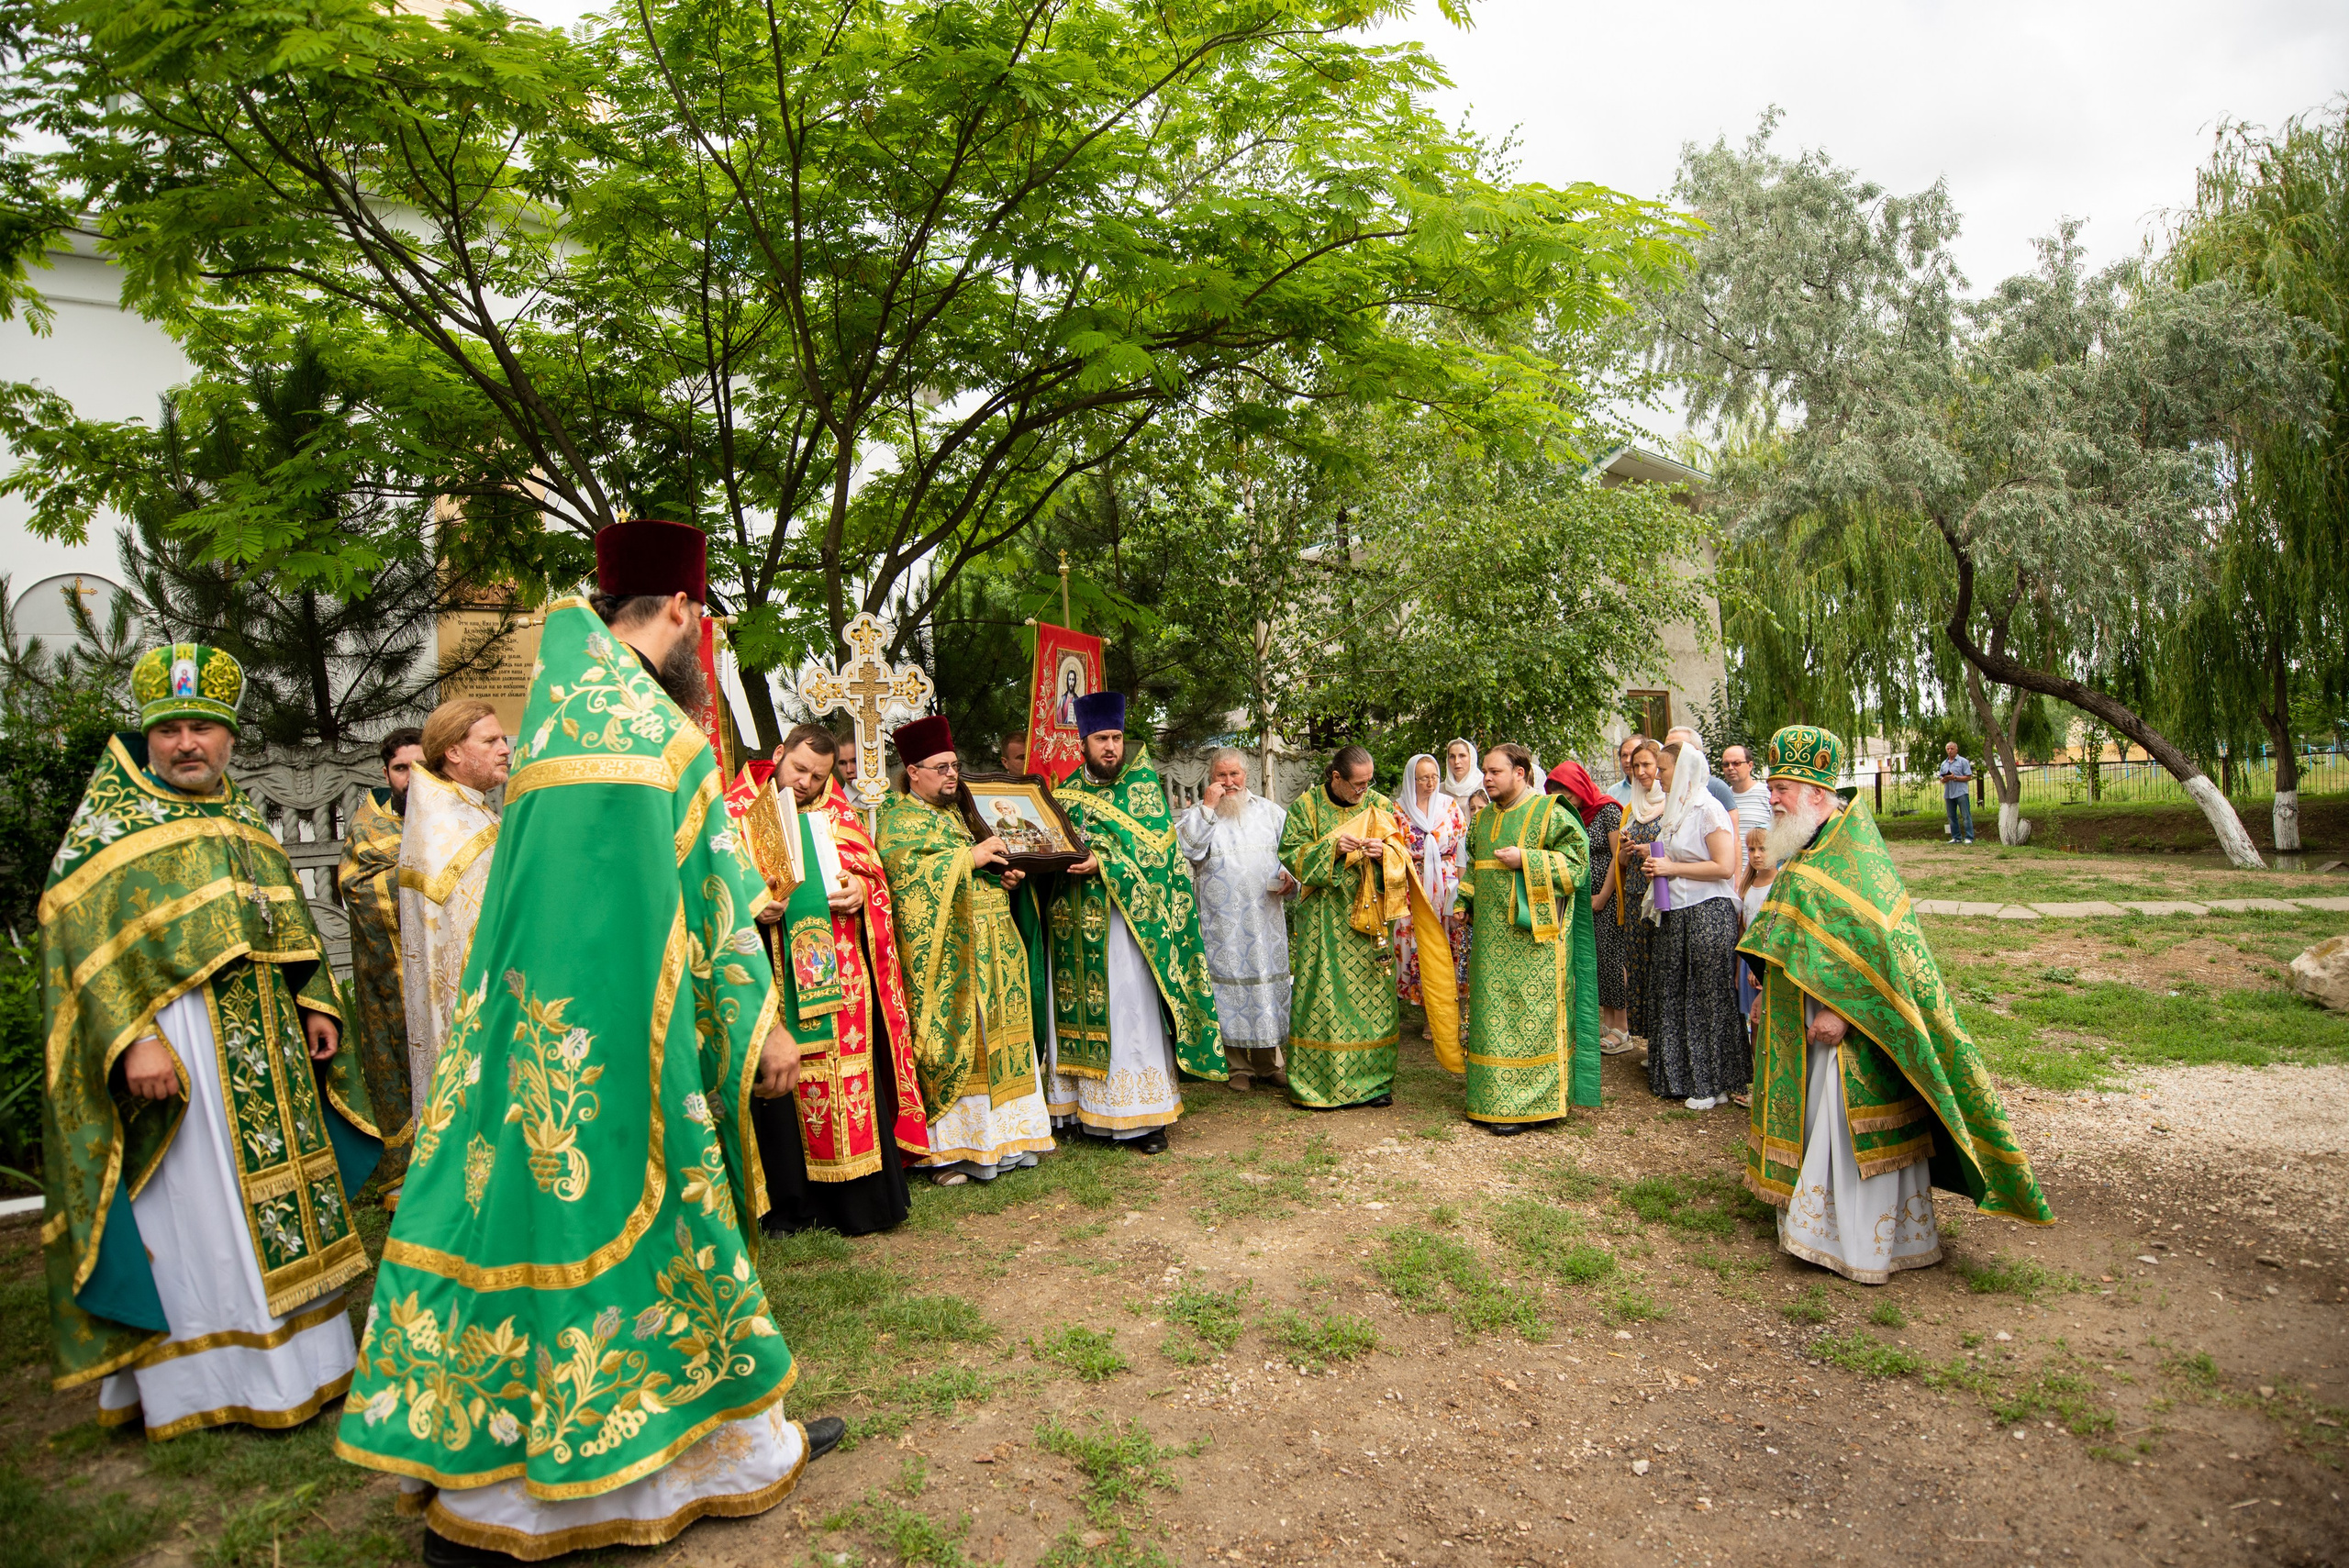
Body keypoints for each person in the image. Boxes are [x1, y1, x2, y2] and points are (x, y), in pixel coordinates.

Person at [339, 518, 833, 1561]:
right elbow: (712, 896)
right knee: (639, 1234)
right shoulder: (660, 736)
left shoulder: (560, 715)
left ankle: (497, 1478)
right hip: (620, 1051)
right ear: (685, 611)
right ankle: (647, 1470)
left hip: (523, 1034)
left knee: (524, 1226)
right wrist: (763, 1021)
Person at [44, 643, 381, 1439]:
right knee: (198, 1210)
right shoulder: (110, 829)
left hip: (268, 1052)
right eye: (170, 731)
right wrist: (134, 1039)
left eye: (202, 728)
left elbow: (284, 927)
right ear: (149, 737)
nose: (186, 743)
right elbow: (80, 952)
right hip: (183, 1058)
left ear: (229, 737)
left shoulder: (238, 817)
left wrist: (313, 1002)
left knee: (278, 1204)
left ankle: (311, 1363)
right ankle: (202, 1378)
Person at [1740, 724, 2053, 1283]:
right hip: (1799, 1020)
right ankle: (1811, 1226)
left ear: (1816, 794)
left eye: (1782, 787)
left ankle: (1860, 1245)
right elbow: (1792, 933)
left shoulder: (1854, 856)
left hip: (1850, 1033)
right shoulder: (1810, 843)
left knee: (1845, 1126)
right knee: (1817, 1123)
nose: (1772, 796)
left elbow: (1876, 954)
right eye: (1772, 785)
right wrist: (1766, 991)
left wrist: (1843, 1010)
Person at [748, 725, 929, 1235]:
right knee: (782, 1087)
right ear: (779, 754)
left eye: (819, 776)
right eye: (799, 769)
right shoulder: (738, 809)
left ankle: (855, 1203)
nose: (806, 782)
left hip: (840, 980)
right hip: (773, 979)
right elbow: (711, 888)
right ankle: (788, 1206)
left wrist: (858, 891)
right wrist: (753, 907)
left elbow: (871, 877)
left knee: (846, 1085)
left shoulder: (838, 813)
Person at [876, 714, 1055, 1184]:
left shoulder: (962, 813)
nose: (952, 774)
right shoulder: (897, 821)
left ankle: (1011, 1139)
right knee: (964, 1044)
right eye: (941, 767)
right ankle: (951, 1154)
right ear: (913, 771)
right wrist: (967, 858)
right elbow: (905, 882)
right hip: (950, 952)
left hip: (998, 941)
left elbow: (988, 863)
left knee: (1004, 1032)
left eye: (954, 765)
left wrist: (1005, 875)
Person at [1044, 693, 1227, 1149]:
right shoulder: (1063, 791)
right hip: (1071, 925)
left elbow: (1156, 860)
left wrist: (1102, 863)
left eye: (1117, 738)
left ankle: (1142, 1117)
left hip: (1125, 929)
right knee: (1070, 1005)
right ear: (1083, 741)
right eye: (1101, 738)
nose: (1111, 747)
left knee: (1130, 1015)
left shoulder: (1142, 787)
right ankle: (1080, 1111)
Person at [1278, 746, 1460, 1108]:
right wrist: (1331, 848)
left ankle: (1373, 1083)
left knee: (1373, 998)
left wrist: (1385, 854)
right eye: (1357, 784)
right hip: (1324, 920)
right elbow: (1289, 854)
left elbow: (1402, 856)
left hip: (1369, 918)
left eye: (1368, 782)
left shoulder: (1379, 805)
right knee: (1324, 998)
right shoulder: (1306, 807)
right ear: (1336, 778)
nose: (1364, 789)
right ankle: (1321, 1085)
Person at [1453, 745, 1590, 1135]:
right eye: (1485, 772)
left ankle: (1537, 1105)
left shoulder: (1551, 812)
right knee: (1492, 1018)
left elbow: (1578, 868)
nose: (1486, 779)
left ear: (1521, 773)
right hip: (1489, 941)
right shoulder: (1482, 820)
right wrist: (1464, 899)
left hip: (1536, 944)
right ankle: (1491, 1100)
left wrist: (1527, 859)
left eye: (1495, 771)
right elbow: (1475, 866)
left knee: (1530, 1017)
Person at [396, 699, 508, 1130]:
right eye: (490, 740)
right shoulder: (450, 827)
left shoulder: (466, 808)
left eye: (502, 738)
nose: (504, 748)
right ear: (454, 753)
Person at [1175, 748, 1297, 1093]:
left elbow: (1292, 853)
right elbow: (1190, 849)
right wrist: (1208, 809)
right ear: (1210, 778)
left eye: (1235, 775)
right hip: (1222, 922)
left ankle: (1270, 1063)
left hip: (1265, 919)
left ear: (1247, 776)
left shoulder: (1270, 813)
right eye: (1221, 776)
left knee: (1265, 986)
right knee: (1228, 989)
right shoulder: (1198, 815)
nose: (1228, 783)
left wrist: (1290, 876)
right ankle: (1236, 1065)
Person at [1637, 741, 1746, 1110]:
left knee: (1707, 996)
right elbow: (1675, 856)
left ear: (1682, 770)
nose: (1657, 776)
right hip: (1676, 911)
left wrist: (1672, 868)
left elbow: (1725, 866)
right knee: (1675, 991)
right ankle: (1681, 1077)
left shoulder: (1708, 808)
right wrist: (1655, 862)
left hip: (1707, 911)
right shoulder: (1675, 810)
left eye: (1663, 770)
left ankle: (1713, 1083)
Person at [339, 726, 423, 1201]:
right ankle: (405, 1170)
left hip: (449, 967)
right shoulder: (368, 827)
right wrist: (422, 876)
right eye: (401, 768)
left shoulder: (457, 816)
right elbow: (355, 887)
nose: (412, 778)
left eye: (420, 766)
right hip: (389, 974)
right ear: (386, 772)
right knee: (399, 1058)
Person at [1544, 761, 1614, 1090]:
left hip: (1603, 892)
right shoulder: (1557, 815)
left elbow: (1617, 857)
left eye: (1565, 790)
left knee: (1606, 959)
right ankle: (1591, 1025)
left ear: (1580, 788)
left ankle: (1617, 1027)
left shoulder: (1607, 811)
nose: (1560, 797)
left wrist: (1603, 895)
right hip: (1574, 896)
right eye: (1554, 791)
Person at [1392, 753, 1470, 1042]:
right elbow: (1393, 853)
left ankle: (1455, 1016)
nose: (1429, 782)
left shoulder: (1449, 806)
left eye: (1434, 776)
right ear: (1411, 780)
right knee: (1422, 949)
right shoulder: (1398, 811)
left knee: (1451, 949)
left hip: (1447, 888)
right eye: (1423, 777)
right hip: (1415, 890)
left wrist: (1462, 889)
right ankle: (1429, 1017)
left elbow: (1461, 846)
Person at [1614, 740, 1666, 1054]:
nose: (1642, 772)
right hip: (1634, 895)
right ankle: (1648, 1044)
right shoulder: (1632, 809)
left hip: (1661, 897)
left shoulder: (1672, 803)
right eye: (1636, 766)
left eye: (1647, 765)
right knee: (1639, 970)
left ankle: (1664, 1042)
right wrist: (1627, 851)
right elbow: (1620, 862)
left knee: (1661, 967)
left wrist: (1652, 850)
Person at [1731, 826, 1776, 1109]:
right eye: (1752, 850)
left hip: (1765, 962)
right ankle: (1757, 1085)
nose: (1757, 855)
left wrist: (1760, 968)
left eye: (1763, 849)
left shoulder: (1778, 884)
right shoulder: (1748, 884)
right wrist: (1739, 967)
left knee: (1766, 1024)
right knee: (1754, 1026)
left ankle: (1771, 1085)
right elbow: (1743, 928)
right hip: (1747, 960)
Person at [1664, 724, 1740, 817]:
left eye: (1675, 748)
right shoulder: (1664, 787)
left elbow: (1732, 829)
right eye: (1666, 748)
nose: (1668, 753)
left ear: (1695, 752)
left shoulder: (1716, 788)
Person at [1720, 743, 1771, 838]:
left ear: (1750, 766)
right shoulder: (1722, 798)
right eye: (1726, 764)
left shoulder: (1768, 794)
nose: (1730, 768)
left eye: (1736, 763)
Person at [1937, 741, 1976, 844]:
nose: (1950, 751)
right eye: (1948, 749)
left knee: (1965, 815)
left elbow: (1968, 776)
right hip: (1949, 793)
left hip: (1961, 792)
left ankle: (1969, 837)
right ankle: (1956, 837)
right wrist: (1943, 779)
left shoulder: (1963, 761)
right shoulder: (1944, 763)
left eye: (1952, 749)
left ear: (1956, 750)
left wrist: (1955, 778)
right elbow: (1940, 776)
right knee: (1951, 816)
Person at [1440, 737, 1488, 811]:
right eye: (1452, 756)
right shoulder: (1440, 789)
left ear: (1471, 758)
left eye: (1462, 756)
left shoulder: (1484, 785)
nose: (1456, 761)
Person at [1605, 734, 1646, 805]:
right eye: (1624, 755)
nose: (1628, 760)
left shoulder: (1655, 789)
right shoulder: (1613, 792)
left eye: (1633, 754)